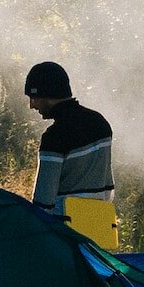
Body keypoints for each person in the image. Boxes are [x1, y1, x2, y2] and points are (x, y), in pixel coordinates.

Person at [25, 61, 117, 248]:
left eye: (33, 98)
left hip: (66, 236)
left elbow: (44, 202)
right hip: (99, 229)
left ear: (46, 95)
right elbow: (108, 188)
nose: (32, 106)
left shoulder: (55, 136)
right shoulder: (100, 124)